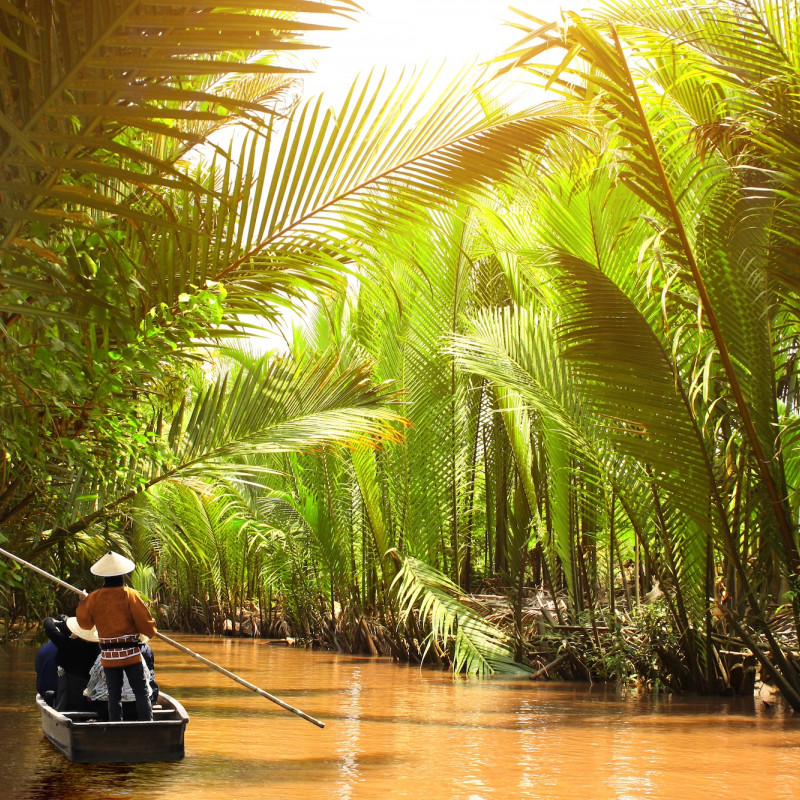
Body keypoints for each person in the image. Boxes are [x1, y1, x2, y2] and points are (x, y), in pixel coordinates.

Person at [76, 551, 157, 722]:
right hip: (130, 655)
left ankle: (115, 727)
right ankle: (147, 726)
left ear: (104, 577)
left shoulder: (94, 597)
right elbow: (148, 628)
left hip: (108, 657)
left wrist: (84, 601)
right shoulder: (129, 595)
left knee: (114, 695)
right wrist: (150, 630)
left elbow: (85, 624)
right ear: (122, 574)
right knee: (141, 692)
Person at [41, 614, 100, 711]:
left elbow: (50, 629)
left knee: (68, 705)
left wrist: (51, 620)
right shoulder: (97, 646)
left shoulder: (70, 644)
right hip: (90, 685)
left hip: (71, 685)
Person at [34, 638, 58, 706]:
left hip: (42, 689)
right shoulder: (65, 647)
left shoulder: (42, 650)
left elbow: (37, 669)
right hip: (57, 691)